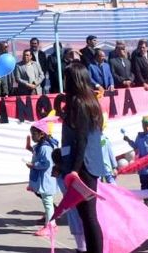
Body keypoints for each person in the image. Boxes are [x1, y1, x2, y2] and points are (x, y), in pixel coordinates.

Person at [58, 62, 104, 252]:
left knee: (89, 216)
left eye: (67, 78)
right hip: (86, 164)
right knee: (86, 216)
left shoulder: (80, 103)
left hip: (84, 166)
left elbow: (82, 139)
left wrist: (74, 170)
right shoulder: (88, 100)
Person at [26, 116, 59, 235]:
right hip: (44, 180)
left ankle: (50, 226)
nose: (32, 136)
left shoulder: (45, 147)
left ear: (41, 134)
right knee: (47, 201)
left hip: (46, 180)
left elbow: (47, 163)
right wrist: (30, 149)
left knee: (48, 202)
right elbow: (38, 154)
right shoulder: (41, 146)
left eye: (34, 133)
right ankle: (49, 221)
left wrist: (34, 165)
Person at [123, 115, 148, 206]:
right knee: (144, 184)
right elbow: (136, 147)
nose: (147, 128)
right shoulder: (140, 137)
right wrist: (128, 140)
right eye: (145, 126)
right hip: (143, 166)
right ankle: (146, 200)